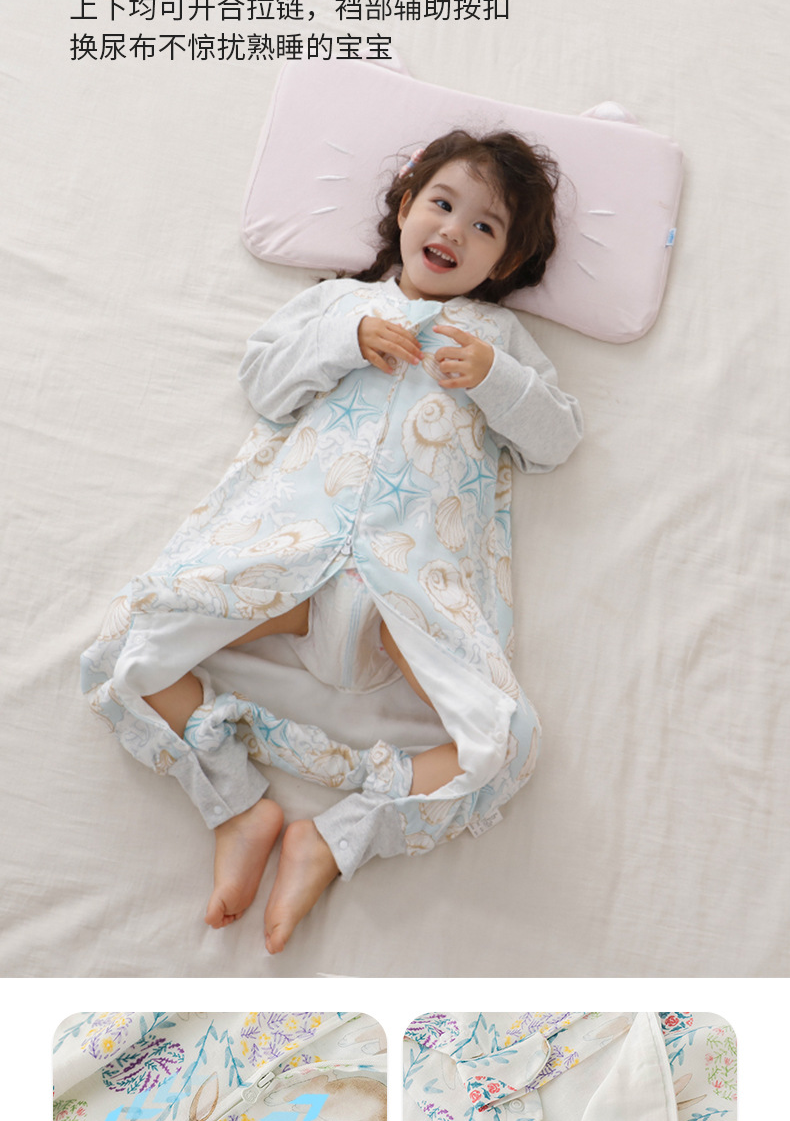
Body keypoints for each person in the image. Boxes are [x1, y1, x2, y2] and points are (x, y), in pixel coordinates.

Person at [81, 130, 583, 953]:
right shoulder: (338, 304)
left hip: (402, 596)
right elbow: (264, 383)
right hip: (291, 571)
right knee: (130, 648)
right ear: (406, 204)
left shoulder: (498, 340)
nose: (454, 231)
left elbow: (555, 441)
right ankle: (239, 806)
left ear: (508, 261)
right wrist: (345, 342)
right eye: (443, 204)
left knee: (504, 742)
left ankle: (337, 836)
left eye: (486, 227)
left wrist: (496, 378)